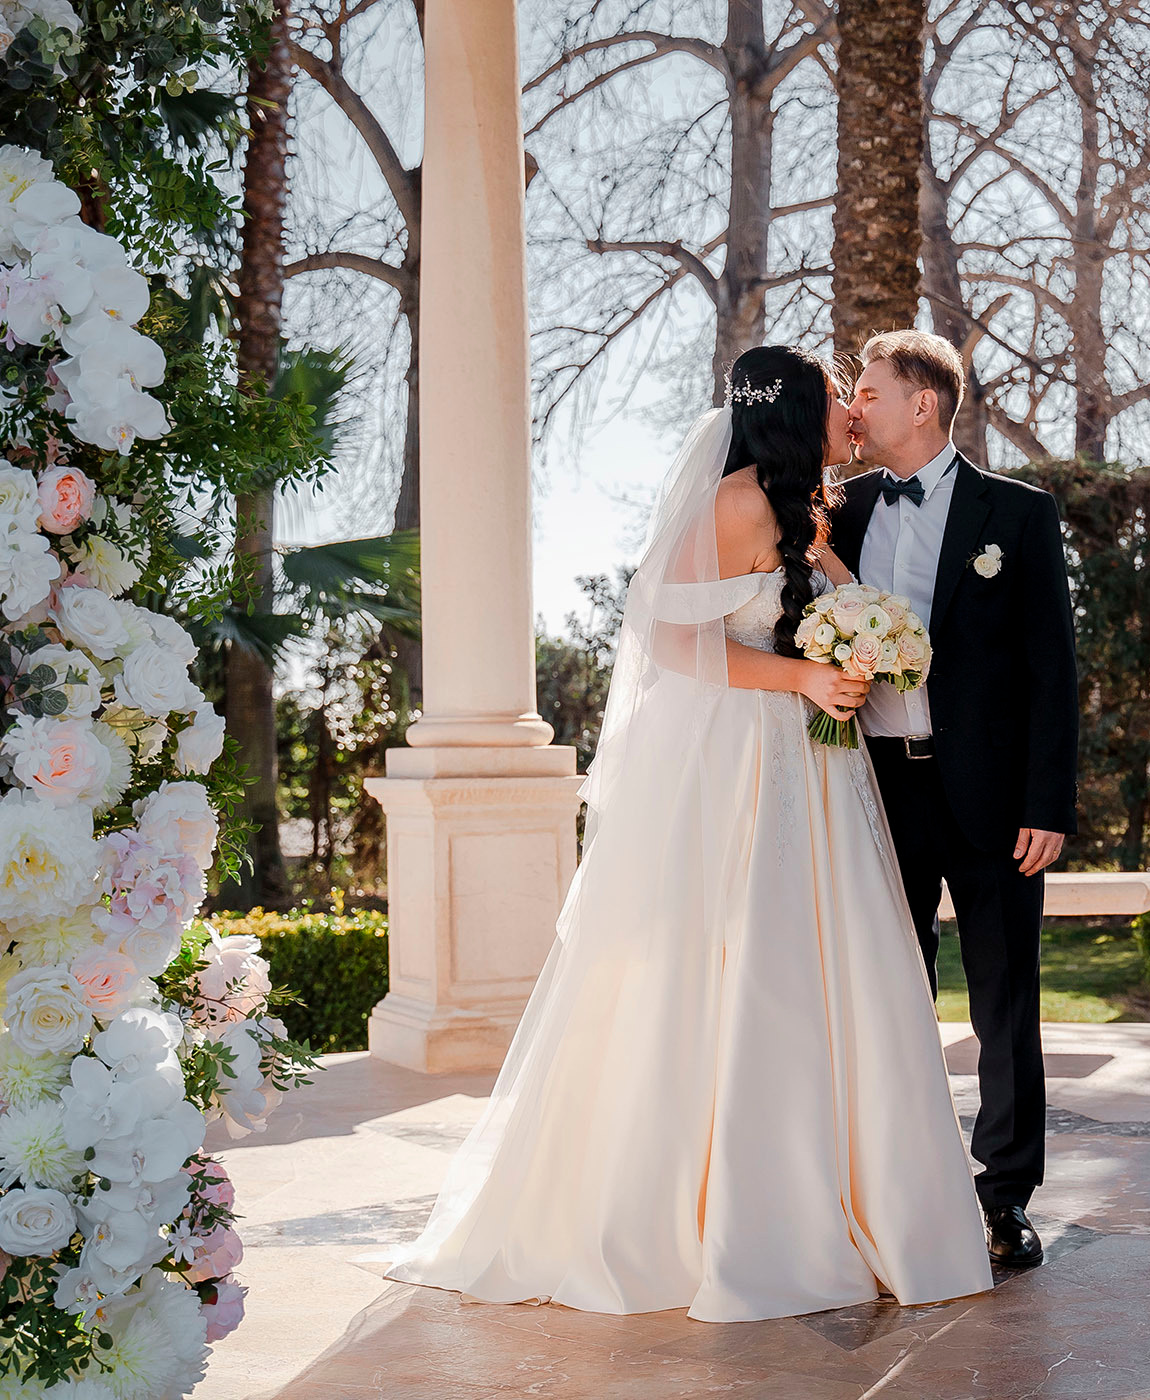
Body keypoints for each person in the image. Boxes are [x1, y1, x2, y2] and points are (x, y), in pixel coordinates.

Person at [386, 345, 993, 1321]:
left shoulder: (810, 506)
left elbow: (825, 615)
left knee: (832, 966)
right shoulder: (739, 498)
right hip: (746, 759)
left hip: (819, 766)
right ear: (797, 410)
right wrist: (803, 676)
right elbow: (667, 637)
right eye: (837, 394)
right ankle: (744, 1220)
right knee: (747, 963)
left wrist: (857, 654)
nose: (850, 406)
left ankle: (865, 1201)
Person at [832, 330, 1080, 1269]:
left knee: (1004, 999)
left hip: (993, 798)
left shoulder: (1015, 515)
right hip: (870, 789)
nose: (855, 406)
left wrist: (1047, 803)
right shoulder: (839, 512)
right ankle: (894, 1187)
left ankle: (1005, 1195)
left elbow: (1052, 670)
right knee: (884, 993)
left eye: (869, 390)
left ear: (923, 404)